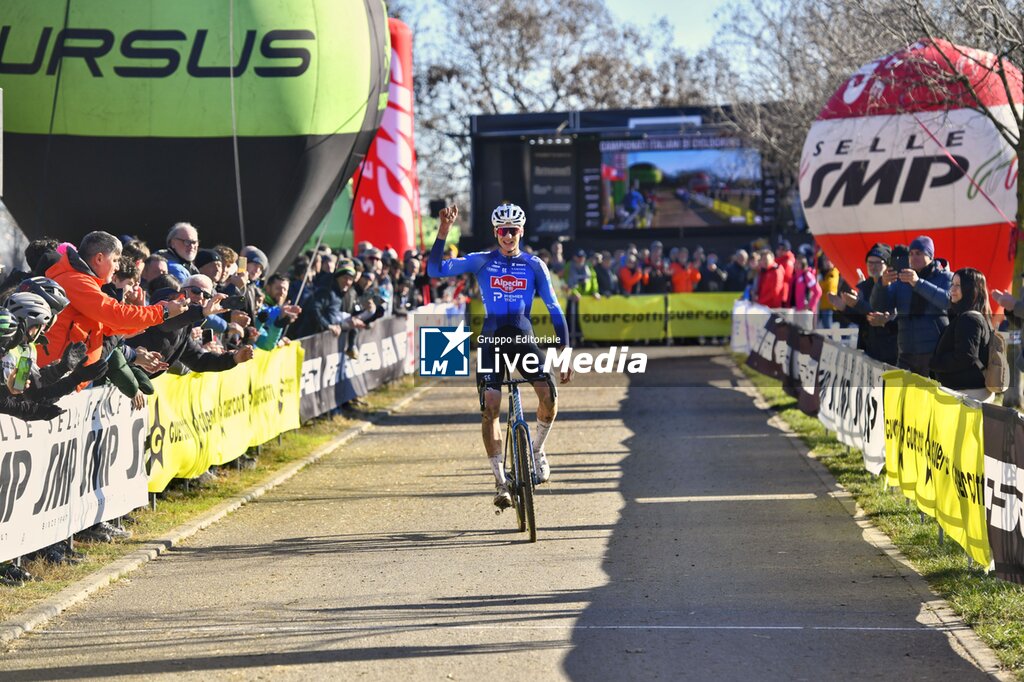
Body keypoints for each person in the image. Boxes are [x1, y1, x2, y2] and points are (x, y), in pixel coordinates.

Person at [427, 203, 571, 510]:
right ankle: (499, 480)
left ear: (521, 231)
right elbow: (435, 270)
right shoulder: (482, 261)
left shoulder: (534, 265)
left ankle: (536, 451)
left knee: (549, 398)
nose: (508, 236)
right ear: (496, 233)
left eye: (513, 230)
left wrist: (565, 349)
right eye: (503, 231)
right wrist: (443, 231)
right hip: (492, 340)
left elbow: (554, 307)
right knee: (490, 405)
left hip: (523, 339)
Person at [869, 235, 952, 376]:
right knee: (900, 396)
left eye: (919, 253)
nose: (914, 257)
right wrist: (882, 286)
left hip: (934, 352)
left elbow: (947, 302)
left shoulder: (946, 277)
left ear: (931, 256)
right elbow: (880, 307)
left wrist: (918, 283)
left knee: (930, 396)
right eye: (911, 254)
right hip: (906, 352)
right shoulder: (902, 279)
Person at [929, 267, 993, 402]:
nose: (952, 289)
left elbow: (965, 357)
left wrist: (935, 363)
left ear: (971, 289)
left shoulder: (969, 320)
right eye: (952, 284)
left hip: (967, 396)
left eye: (958, 285)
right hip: (967, 393)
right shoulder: (972, 317)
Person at [831, 243, 898, 364]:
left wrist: (857, 303)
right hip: (868, 350)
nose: (873, 266)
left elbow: (885, 316)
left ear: (887, 265)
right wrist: (845, 308)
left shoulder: (896, 285)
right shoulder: (865, 287)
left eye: (878, 263)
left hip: (890, 352)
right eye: (870, 263)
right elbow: (863, 319)